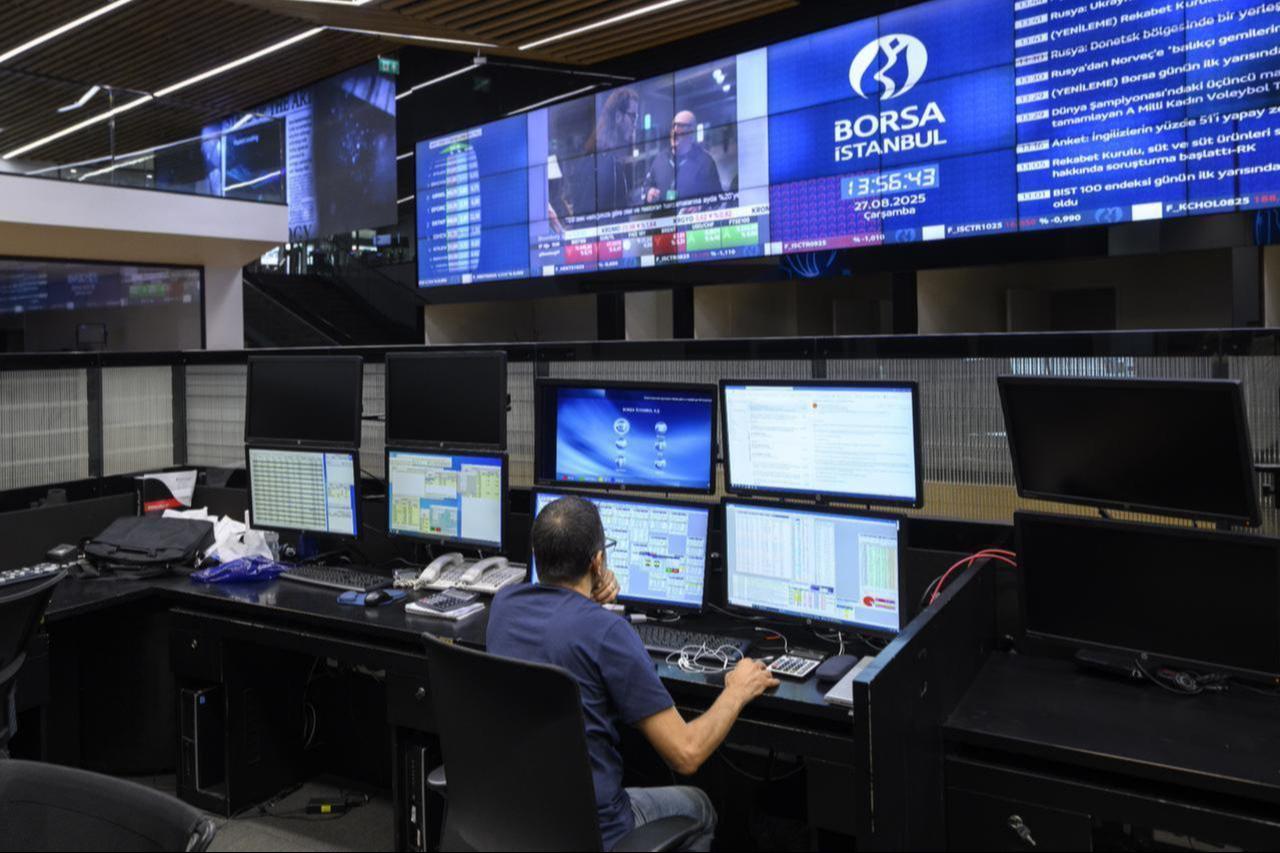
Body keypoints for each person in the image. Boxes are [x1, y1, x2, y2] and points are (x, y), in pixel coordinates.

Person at [486, 496, 778, 852]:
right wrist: (737, 689)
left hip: (519, 819)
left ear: (535, 553)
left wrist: (589, 601)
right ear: (597, 561)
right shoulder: (607, 632)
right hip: (597, 830)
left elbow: (562, 629)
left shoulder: (504, 605)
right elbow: (686, 754)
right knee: (700, 805)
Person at [643, 110, 723, 205]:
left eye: (681, 126)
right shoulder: (660, 159)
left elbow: (717, 199)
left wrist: (701, 207)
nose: (675, 130)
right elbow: (647, 185)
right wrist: (648, 193)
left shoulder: (706, 162)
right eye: (673, 126)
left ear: (692, 132)